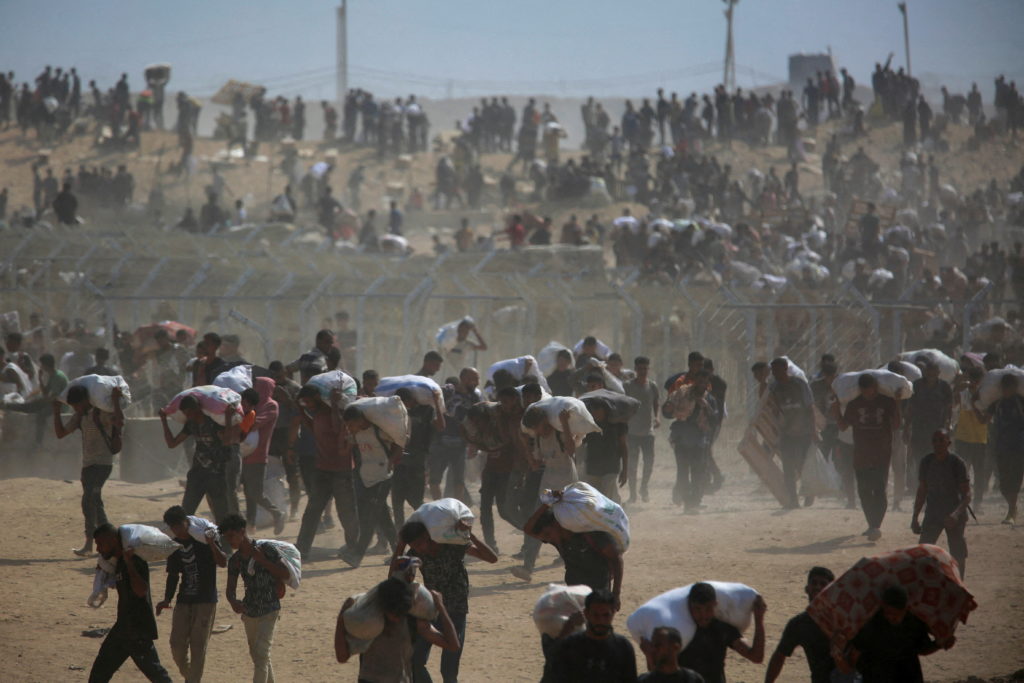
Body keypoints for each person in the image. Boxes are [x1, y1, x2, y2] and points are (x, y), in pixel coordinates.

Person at [395, 520, 497, 683]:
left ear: (428, 535)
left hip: (456, 611)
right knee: (415, 662)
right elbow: (396, 580)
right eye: (415, 545)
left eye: (421, 543)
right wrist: (400, 547)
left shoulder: (452, 544)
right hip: (431, 610)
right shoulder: (415, 554)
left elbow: (492, 558)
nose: (420, 548)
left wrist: (471, 536)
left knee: (449, 672)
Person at [87, 524, 173, 682]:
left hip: (138, 630)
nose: (98, 549)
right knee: (100, 672)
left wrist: (129, 564)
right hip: (123, 628)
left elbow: (141, 590)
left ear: (113, 540)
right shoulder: (119, 562)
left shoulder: (134, 561)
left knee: (156, 674)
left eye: (100, 544)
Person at [334, 576, 461, 681]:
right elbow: (342, 657)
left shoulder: (412, 622)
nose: (396, 618)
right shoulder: (368, 621)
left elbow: (453, 645)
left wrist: (441, 607)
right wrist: (341, 618)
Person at [156, 506, 227, 683]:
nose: (177, 531)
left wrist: (211, 543)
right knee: (176, 645)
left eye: (179, 526)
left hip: (206, 600)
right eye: (173, 528)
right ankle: (190, 675)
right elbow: (173, 574)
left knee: (198, 647)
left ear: (187, 523)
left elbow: (222, 562)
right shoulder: (174, 544)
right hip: (184, 599)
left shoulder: (203, 540)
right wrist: (167, 598)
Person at [53, 384, 124, 556]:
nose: (76, 408)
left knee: (90, 500)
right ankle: (103, 542)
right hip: (87, 465)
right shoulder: (80, 416)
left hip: (102, 464)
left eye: (77, 405)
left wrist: (115, 400)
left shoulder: (101, 413)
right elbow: (61, 433)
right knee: (93, 502)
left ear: (85, 400)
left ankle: (99, 542)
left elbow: (119, 422)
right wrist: (56, 412)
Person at [222, 513, 290, 683]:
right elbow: (230, 589)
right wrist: (233, 601)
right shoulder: (236, 560)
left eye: (232, 536)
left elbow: (285, 573)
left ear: (242, 531)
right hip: (250, 610)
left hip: (270, 608)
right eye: (227, 537)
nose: (230, 541)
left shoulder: (266, 549)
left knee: (261, 654)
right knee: (259, 655)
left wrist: (262, 560)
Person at [518, 497, 623, 607]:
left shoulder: (591, 534)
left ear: (557, 524)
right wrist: (547, 504)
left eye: (548, 534)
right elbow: (528, 529)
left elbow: (616, 560)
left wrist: (616, 594)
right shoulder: (558, 540)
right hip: (574, 595)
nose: (547, 539)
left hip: (598, 593)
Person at [292, 385, 359, 559]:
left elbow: (338, 429)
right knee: (312, 511)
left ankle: (353, 547)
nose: (307, 404)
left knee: (346, 512)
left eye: (308, 400)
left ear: (317, 397)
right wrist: (299, 408)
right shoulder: (319, 415)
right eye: (304, 401)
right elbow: (312, 428)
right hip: (322, 469)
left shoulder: (337, 413)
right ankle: (302, 548)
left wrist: (335, 405)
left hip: (341, 471)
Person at [836, 373, 901, 541]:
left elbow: (896, 425)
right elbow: (843, 426)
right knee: (864, 490)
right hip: (861, 453)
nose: (868, 394)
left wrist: (898, 403)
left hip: (881, 453)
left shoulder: (887, 402)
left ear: (876, 387)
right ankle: (872, 524)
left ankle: (875, 525)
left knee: (879, 489)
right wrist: (835, 410)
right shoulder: (854, 404)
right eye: (865, 391)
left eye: (870, 390)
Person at [840, 585, 951, 683]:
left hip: (909, 677)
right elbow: (855, 654)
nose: (891, 617)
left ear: (905, 609)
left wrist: (939, 644)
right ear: (882, 606)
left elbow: (922, 649)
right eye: (888, 612)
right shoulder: (871, 624)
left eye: (896, 614)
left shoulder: (913, 622)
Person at [338, 404, 403, 568]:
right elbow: (343, 452)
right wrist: (347, 435)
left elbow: (399, 442)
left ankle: (357, 555)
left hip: (383, 477)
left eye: (351, 424)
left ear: (360, 420)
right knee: (383, 518)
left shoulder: (378, 431)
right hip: (366, 478)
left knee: (370, 516)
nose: (350, 427)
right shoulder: (356, 434)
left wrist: (391, 460)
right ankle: (399, 554)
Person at [159, 395, 238, 523]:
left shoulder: (214, 422)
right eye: (186, 413)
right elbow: (172, 443)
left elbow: (227, 441)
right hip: (197, 475)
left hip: (216, 475)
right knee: (185, 514)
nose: (188, 415)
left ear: (197, 408)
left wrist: (228, 418)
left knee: (222, 517)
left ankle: (223, 543)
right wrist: (163, 420)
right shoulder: (191, 424)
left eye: (190, 412)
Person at [676, 582, 766, 683]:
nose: (703, 615)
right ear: (689, 606)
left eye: (708, 608)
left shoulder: (722, 630)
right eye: (697, 609)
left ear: (715, 605)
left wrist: (759, 620)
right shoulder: (680, 630)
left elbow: (756, 657)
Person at [546, 589, 638, 683]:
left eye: (605, 615)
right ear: (586, 613)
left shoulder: (623, 648)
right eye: (596, 615)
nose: (600, 621)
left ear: (613, 613)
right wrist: (567, 629)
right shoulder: (571, 645)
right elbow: (551, 671)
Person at [912, 430, 971, 577]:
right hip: (933, 512)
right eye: (935, 441)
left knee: (957, 554)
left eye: (941, 440)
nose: (937, 444)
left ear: (948, 442)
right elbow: (922, 491)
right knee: (923, 551)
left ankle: (959, 586)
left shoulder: (957, 463)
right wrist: (915, 517)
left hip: (954, 512)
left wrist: (955, 515)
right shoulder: (926, 462)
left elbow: (967, 495)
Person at [765, 567, 835, 683]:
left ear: (832, 589)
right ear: (807, 589)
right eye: (814, 583)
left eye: (823, 584)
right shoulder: (799, 624)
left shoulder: (844, 618)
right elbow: (779, 656)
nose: (817, 587)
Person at [665, 370, 719, 513]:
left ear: (707, 383)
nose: (702, 385)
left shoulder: (709, 399)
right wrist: (669, 408)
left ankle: (693, 502)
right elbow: (667, 411)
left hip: (699, 441)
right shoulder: (682, 393)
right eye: (699, 381)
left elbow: (714, 420)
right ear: (694, 382)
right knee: (682, 472)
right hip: (681, 439)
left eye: (704, 382)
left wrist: (705, 405)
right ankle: (687, 501)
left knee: (697, 472)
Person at [768, 357, 817, 509]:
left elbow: (809, 407)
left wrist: (813, 429)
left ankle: (809, 493)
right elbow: (774, 409)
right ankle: (793, 501)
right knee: (788, 467)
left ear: (785, 369)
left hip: (803, 431)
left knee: (802, 464)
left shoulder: (799, 384)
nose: (775, 374)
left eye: (777, 370)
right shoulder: (774, 387)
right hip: (787, 432)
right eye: (773, 371)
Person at [392, 388, 444, 527]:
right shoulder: (395, 412)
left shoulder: (426, 411)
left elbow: (440, 426)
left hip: (417, 463)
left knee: (416, 501)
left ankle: (430, 529)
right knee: (397, 502)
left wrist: (437, 403)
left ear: (411, 400)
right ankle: (398, 537)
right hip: (399, 462)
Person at [239, 381, 286, 534]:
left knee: (255, 492)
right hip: (245, 454)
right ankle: (250, 525)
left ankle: (277, 513)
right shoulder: (253, 406)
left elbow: (255, 423)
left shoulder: (271, 406)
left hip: (258, 456)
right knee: (248, 493)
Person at [982, 373, 1024, 526]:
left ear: (1014, 387)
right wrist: (974, 402)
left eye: (1009, 387)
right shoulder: (997, 404)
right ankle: (1012, 508)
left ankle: (1011, 511)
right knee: (1004, 484)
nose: (1007, 390)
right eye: (1004, 387)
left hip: (1019, 447)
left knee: (1015, 479)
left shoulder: (1020, 402)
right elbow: (983, 419)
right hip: (1001, 448)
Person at [905, 362, 953, 493]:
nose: (931, 374)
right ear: (925, 372)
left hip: (937, 431)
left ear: (938, 373)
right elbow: (910, 408)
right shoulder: (917, 385)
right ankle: (920, 487)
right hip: (919, 430)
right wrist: (906, 428)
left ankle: (935, 486)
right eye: (928, 371)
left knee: (937, 459)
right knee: (920, 459)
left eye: (934, 371)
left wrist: (948, 425)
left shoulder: (944, 387)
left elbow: (949, 407)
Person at [624, 356, 660, 503]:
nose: (643, 371)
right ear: (636, 369)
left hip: (648, 432)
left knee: (649, 462)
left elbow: (656, 403)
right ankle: (633, 493)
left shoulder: (652, 386)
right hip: (632, 432)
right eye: (640, 369)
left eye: (645, 368)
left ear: (648, 369)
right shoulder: (627, 386)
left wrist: (657, 417)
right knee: (632, 464)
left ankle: (644, 488)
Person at [581, 396, 629, 502]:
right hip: (592, 467)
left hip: (611, 467)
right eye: (593, 410)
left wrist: (625, 470)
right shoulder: (589, 424)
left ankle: (613, 516)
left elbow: (623, 446)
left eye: (598, 410)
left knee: (608, 498)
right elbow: (580, 444)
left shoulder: (618, 424)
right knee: (594, 500)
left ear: (605, 409)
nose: (595, 413)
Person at [639, 626, 704, 682]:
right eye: (652, 645)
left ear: (676, 647)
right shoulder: (643, 680)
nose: (653, 649)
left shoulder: (692, 679)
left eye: (658, 645)